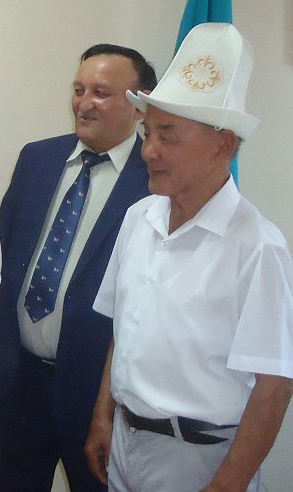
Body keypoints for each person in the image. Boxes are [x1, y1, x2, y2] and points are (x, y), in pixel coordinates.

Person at [85, 23, 293, 492]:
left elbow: (275, 385)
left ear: (223, 145)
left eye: (168, 136)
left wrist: (226, 485)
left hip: (198, 458)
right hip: (124, 443)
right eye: (147, 133)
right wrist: (103, 416)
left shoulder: (257, 246)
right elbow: (123, 332)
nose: (149, 151)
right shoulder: (138, 218)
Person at [0, 44, 156, 491]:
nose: (84, 103)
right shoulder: (37, 159)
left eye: (101, 92)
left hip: (96, 398)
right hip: (18, 383)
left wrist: (111, 406)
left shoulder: (154, 180)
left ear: (140, 105)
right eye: (79, 90)